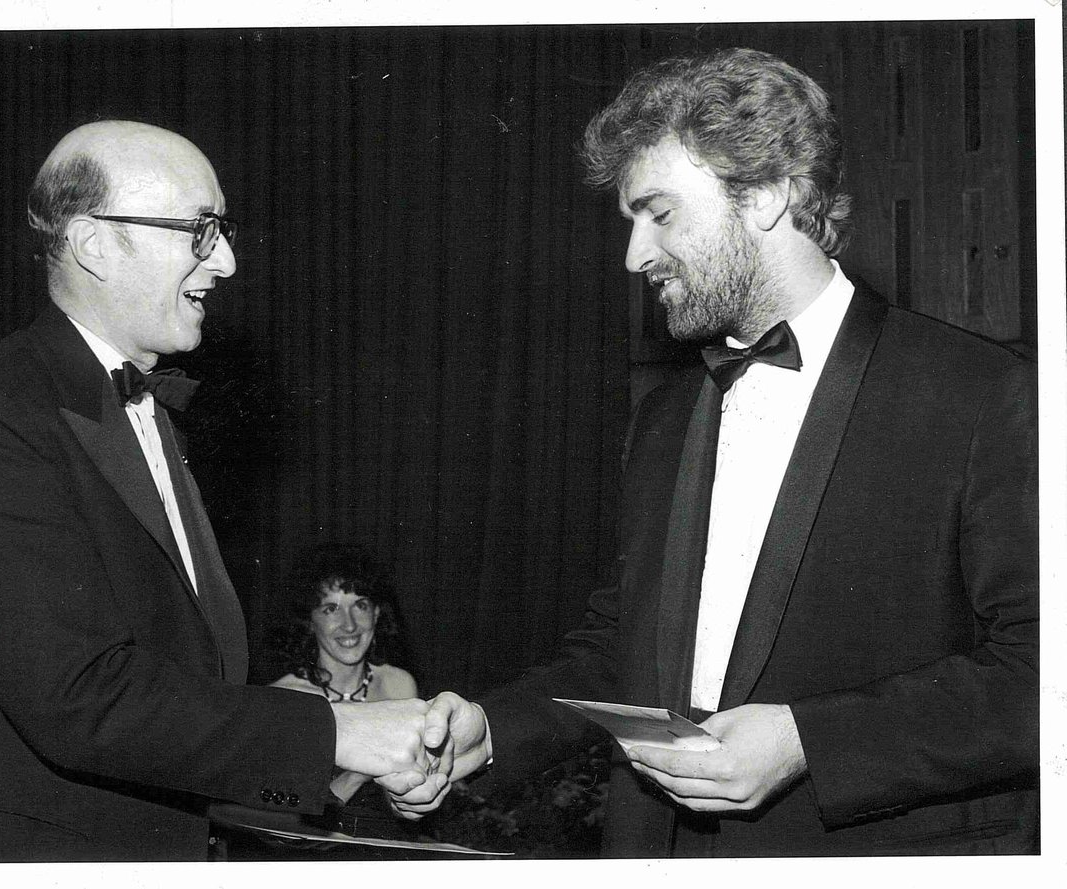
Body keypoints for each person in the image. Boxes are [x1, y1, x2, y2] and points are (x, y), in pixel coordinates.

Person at [397, 48, 1038, 856]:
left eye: (659, 213)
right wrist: (490, 729)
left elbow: (1042, 673)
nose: (634, 255)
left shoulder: (985, 392)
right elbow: (621, 648)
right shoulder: (665, 415)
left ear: (767, 193)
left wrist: (809, 739)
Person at [0, 120, 442, 862]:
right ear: (95, 244)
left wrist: (343, 763)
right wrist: (340, 733)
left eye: (224, 229)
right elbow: (78, 697)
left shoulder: (153, 415)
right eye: (201, 229)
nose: (225, 259)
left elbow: (183, 691)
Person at [270, 545, 419, 804]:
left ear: (376, 613)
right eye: (331, 609)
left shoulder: (399, 686)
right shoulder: (285, 698)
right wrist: (358, 773)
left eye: (360, 605)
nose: (349, 625)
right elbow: (285, 816)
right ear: (309, 619)